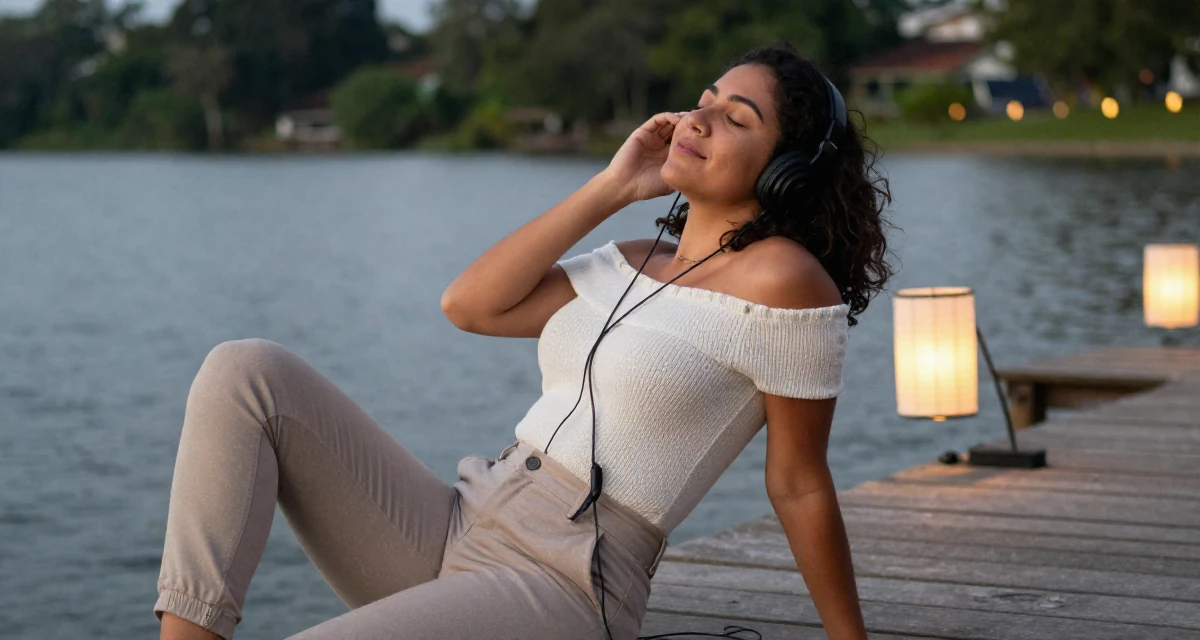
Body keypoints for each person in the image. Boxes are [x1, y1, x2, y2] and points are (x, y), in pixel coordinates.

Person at [154, 40, 894, 640]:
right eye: (702, 103)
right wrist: (611, 187)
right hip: (459, 521)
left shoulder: (782, 282)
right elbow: (468, 305)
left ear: (789, 173)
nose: (698, 121)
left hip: (568, 578)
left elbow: (797, 480)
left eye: (737, 118)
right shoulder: (634, 257)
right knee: (246, 372)